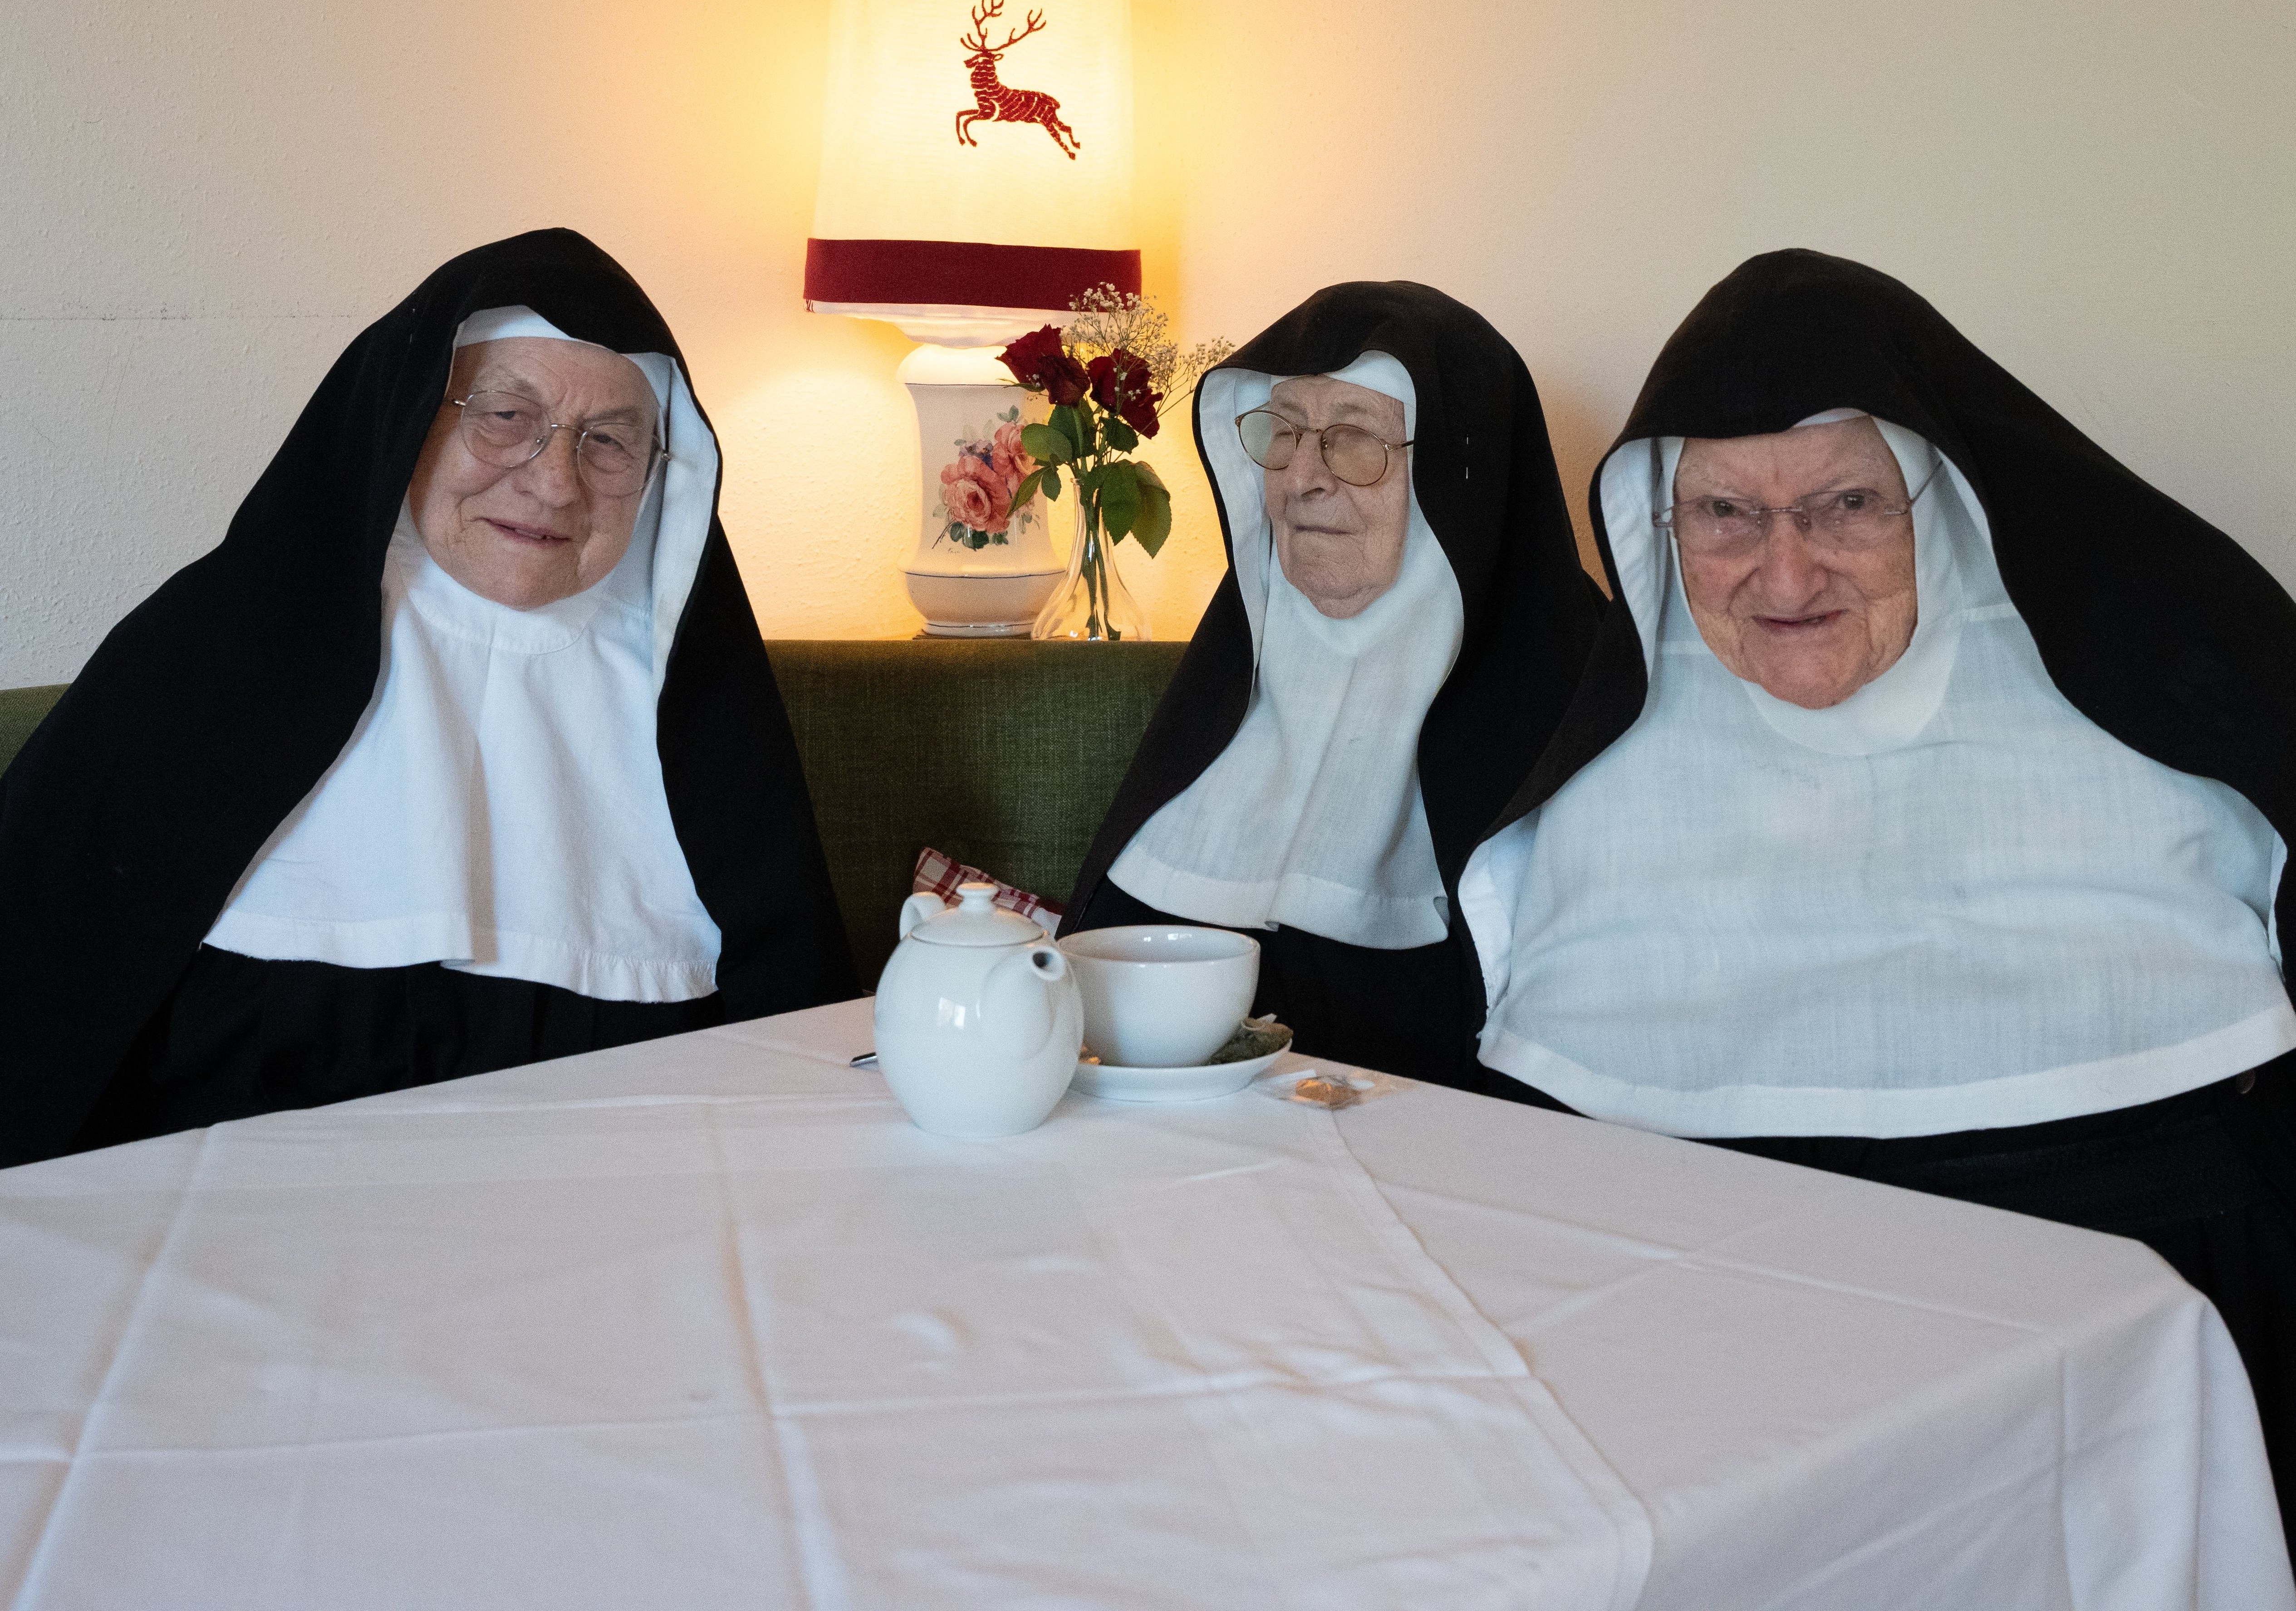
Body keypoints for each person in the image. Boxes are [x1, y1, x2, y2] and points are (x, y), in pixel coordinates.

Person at [1464, 247, 2296, 1532]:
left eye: (1846, 506)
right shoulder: (1605, 787)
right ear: (1658, 525)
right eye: (1724, 514)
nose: (1783, 576)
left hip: (2127, 1311)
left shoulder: (2147, 724)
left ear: (1943, 503)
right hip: (1721, 1354)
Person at [0, 230, 857, 1166]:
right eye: (503, 414)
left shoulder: (696, 713)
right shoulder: (212, 652)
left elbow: (794, 1075)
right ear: (411, 417)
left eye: (608, 441)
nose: (553, 478)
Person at [1064, 281, 1604, 1086]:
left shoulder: (1580, 712)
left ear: (1464, 475)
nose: (1301, 479)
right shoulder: (1228, 680)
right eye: (1282, 435)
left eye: (1354, 440)